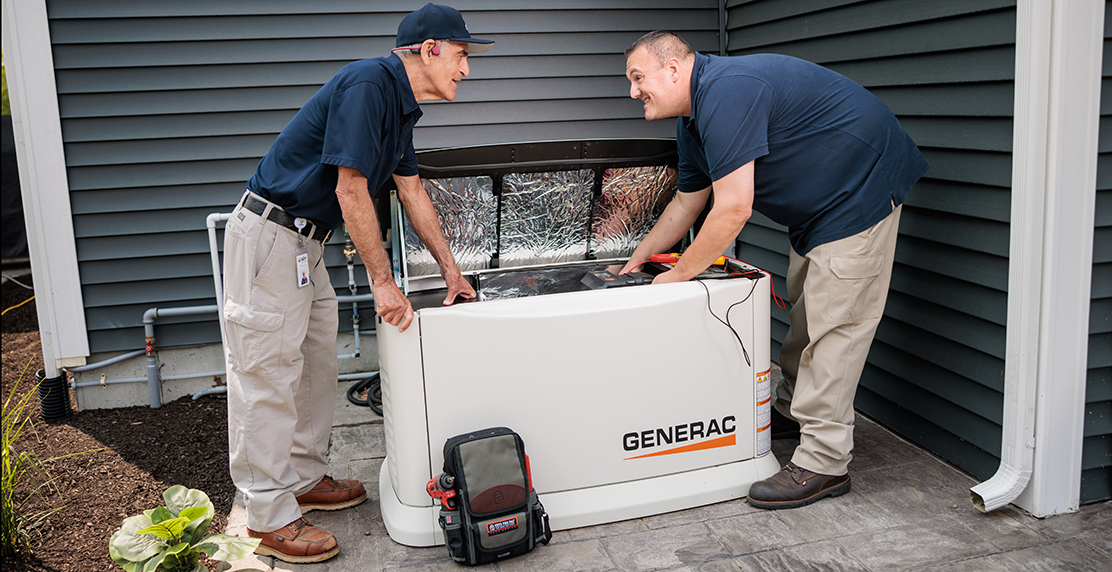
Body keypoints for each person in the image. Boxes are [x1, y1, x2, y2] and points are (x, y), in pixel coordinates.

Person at [222, 4, 489, 562]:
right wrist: (383, 283)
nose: (467, 69)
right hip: (272, 235)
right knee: (267, 374)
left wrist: (451, 270)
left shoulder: (399, 106)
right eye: (463, 55)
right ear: (432, 48)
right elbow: (351, 190)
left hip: (304, 244)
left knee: (316, 365)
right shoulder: (370, 82)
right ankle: (267, 514)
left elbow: (413, 193)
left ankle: (303, 479)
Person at [619, 31, 928, 510]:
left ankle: (824, 462)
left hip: (859, 192)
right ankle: (789, 410)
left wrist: (680, 275)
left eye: (639, 78)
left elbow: (734, 208)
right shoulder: (692, 122)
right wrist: (641, 256)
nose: (633, 91)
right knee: (806, 316)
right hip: (817, 214)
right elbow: (688, 201)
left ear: (675, 69)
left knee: (834, 329)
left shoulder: (727, 91)